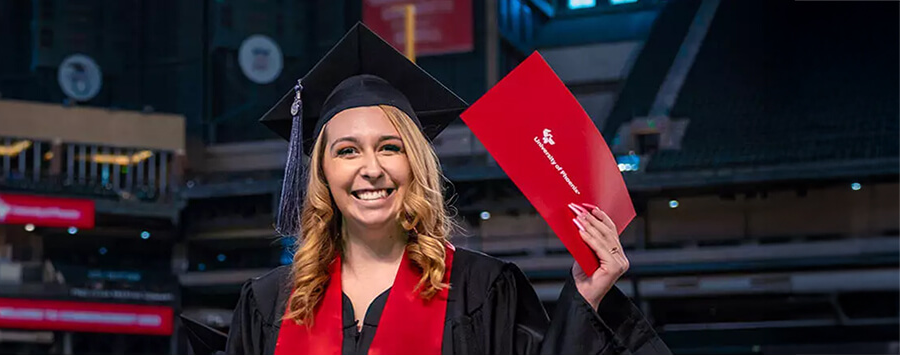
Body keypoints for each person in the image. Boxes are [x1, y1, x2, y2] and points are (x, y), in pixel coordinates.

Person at [226, 23, 670, 355]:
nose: (371, 169)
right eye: (347, 151)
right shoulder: (269, 303)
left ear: (415, 164)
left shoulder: (483, 289)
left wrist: (587, 296)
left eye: (391, 147)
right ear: (322, 172)